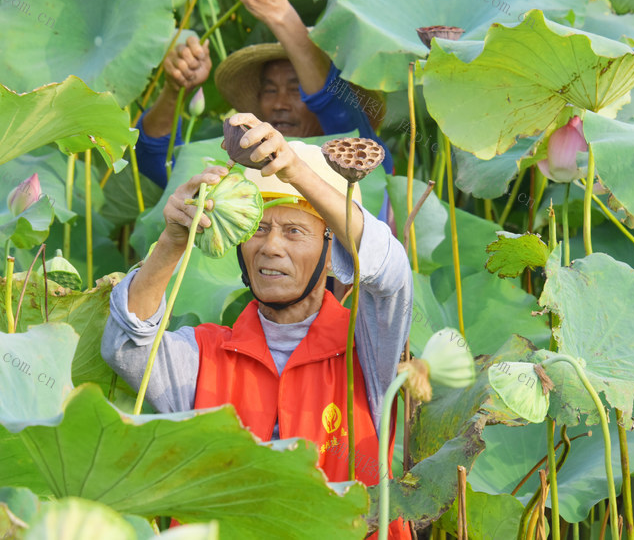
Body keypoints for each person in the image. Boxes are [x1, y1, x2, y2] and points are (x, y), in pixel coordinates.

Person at [102, 113, 411, 539]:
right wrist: (172, 240)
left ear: (333, 249)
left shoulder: (369, 347)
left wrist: (295, 171)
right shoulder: (204, 354)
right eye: (259, 229)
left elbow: (390, 272)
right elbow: (126, 344)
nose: (271, 247)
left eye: (294, 231)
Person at [135, 0, 392, 202]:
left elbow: (337, 110)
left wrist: (281, 15)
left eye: (296, 89)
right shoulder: (231, 170)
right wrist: (174, 90)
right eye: (269, 90)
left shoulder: (360, 164)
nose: (279, 103)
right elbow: (154, 157)